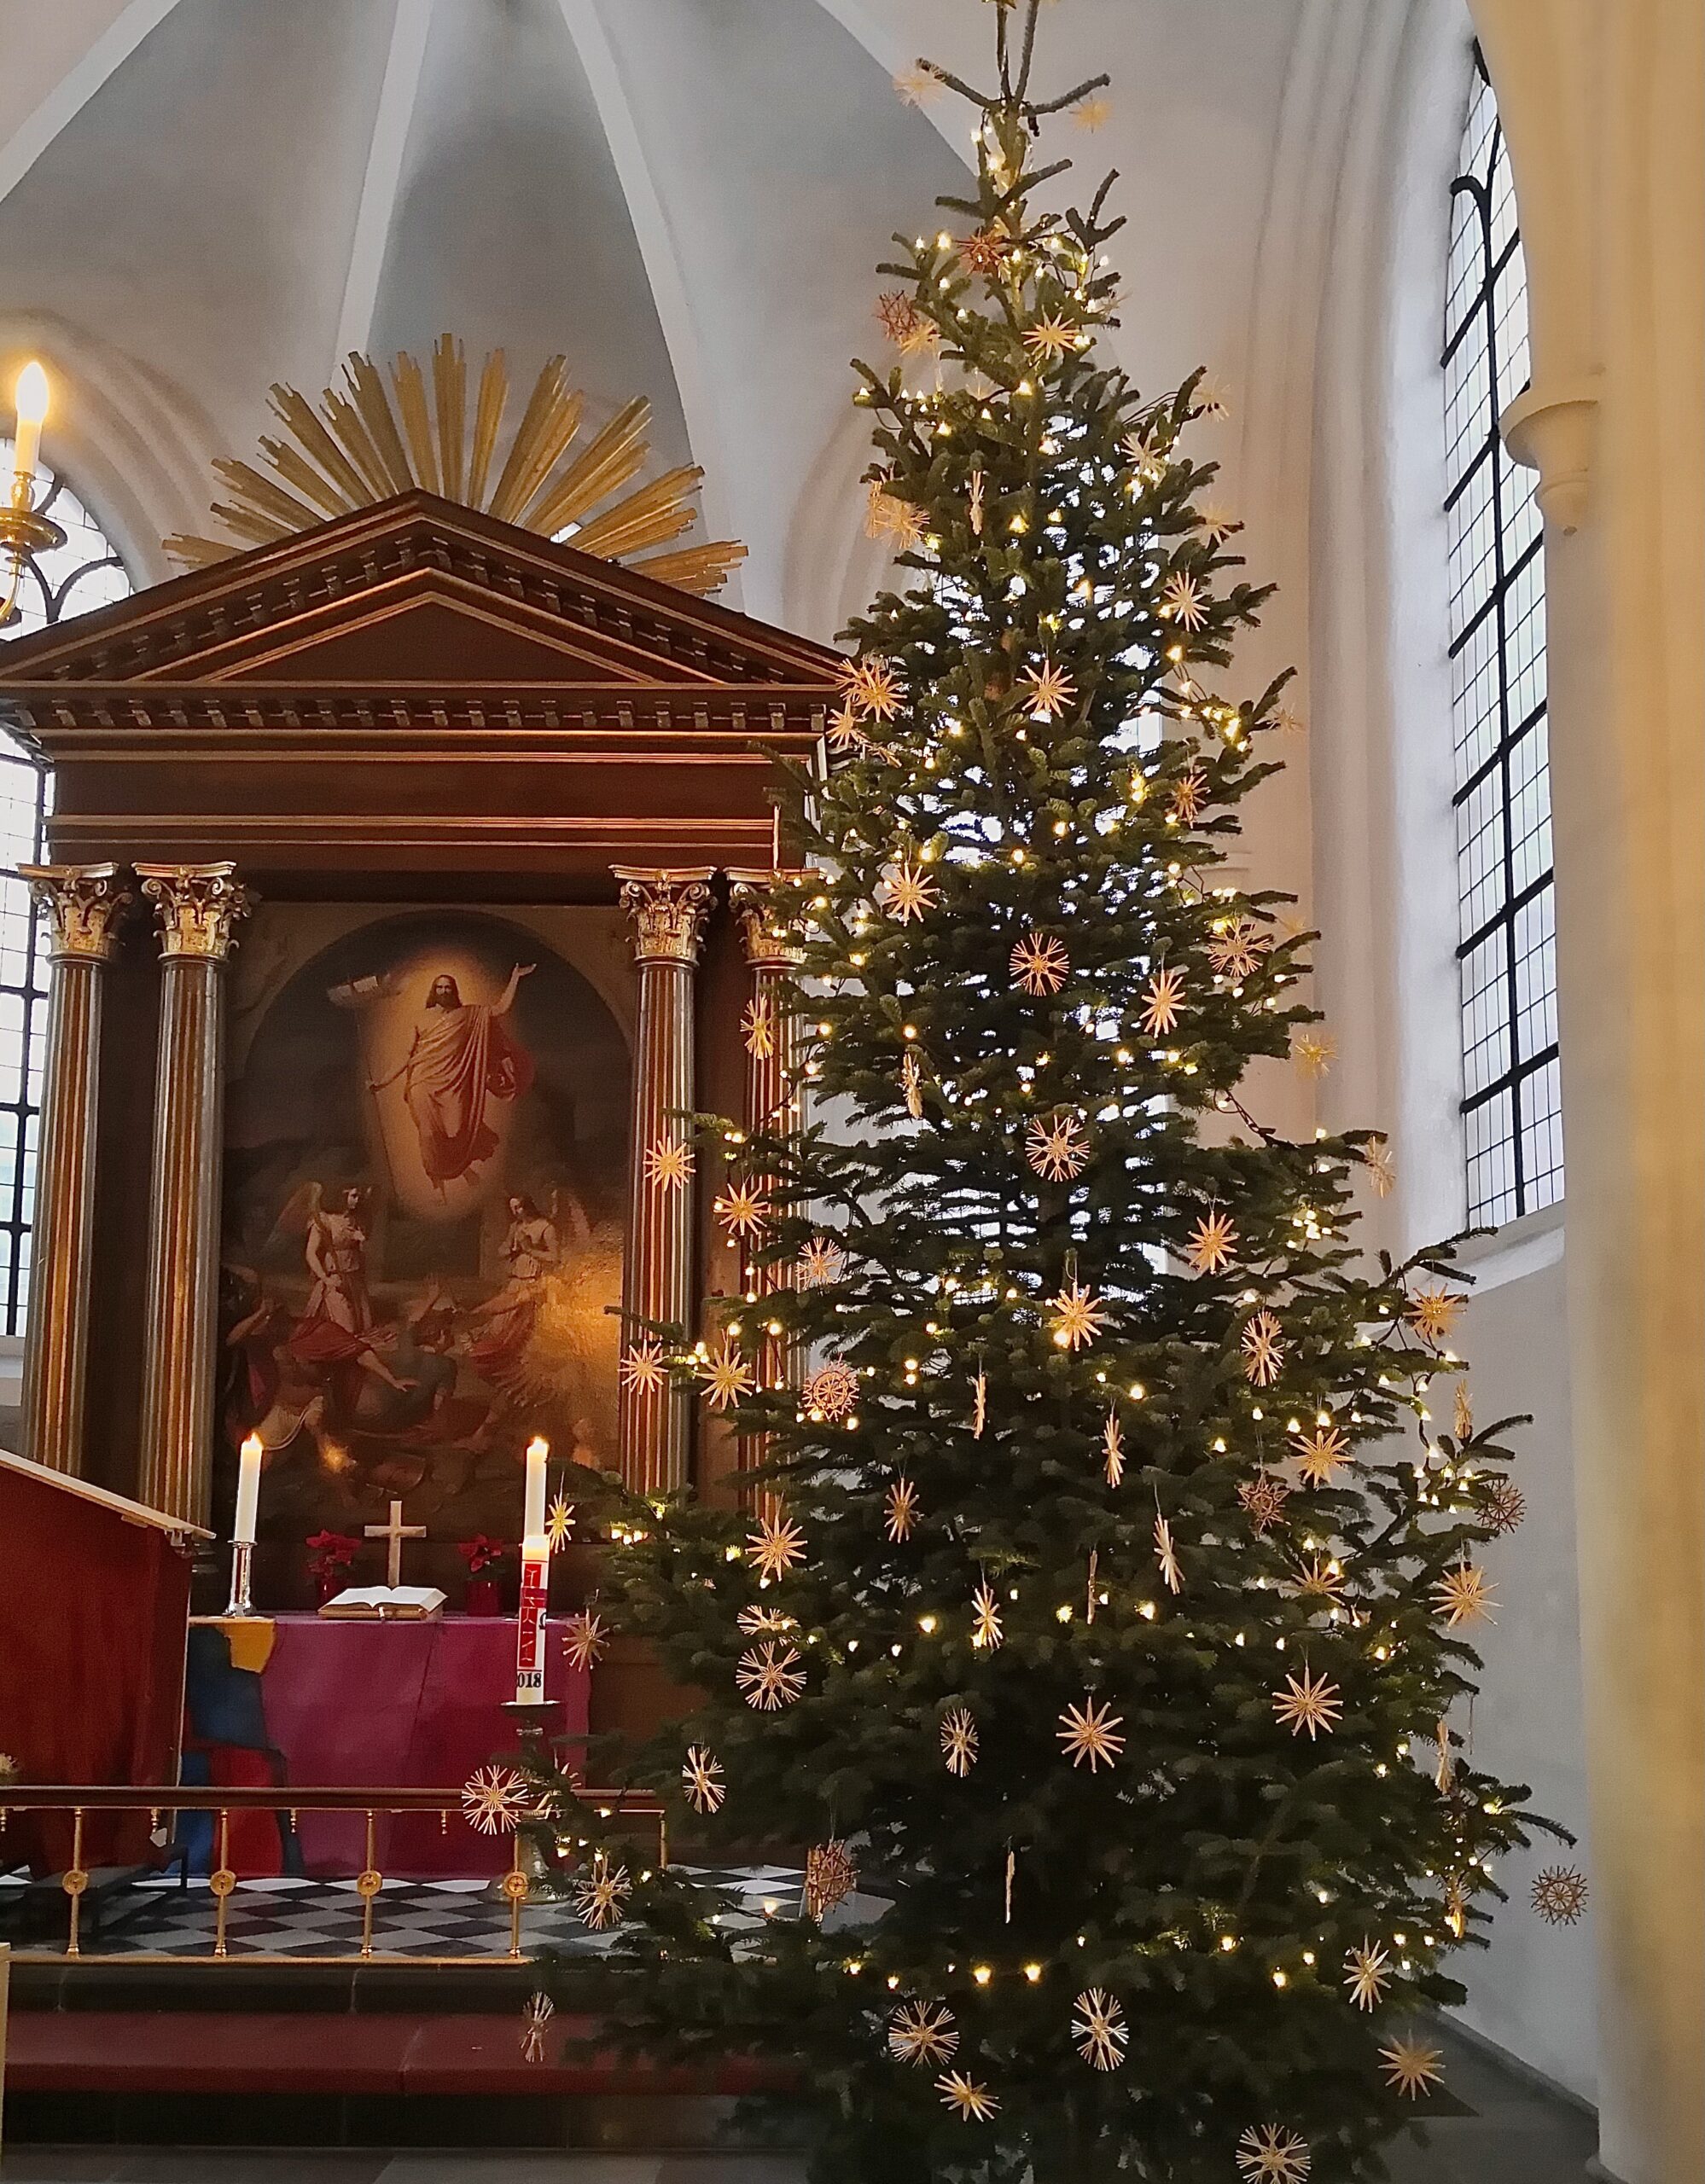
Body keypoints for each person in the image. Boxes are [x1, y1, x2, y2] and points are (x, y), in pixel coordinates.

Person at [368, 966, 535, 1191]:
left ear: (454, 991)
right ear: (434, 991)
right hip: (422, 1082)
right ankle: (434, 1176)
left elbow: (499, 1008)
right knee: (429, 1134)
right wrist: (381, 1082)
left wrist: (515, 978)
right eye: (440, 987)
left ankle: (458, 1168)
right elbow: (405, 1056)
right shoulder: (420, 1018)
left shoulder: (468, 1015)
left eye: (448, 988)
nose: (444, 991)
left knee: (457, 1131)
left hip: (454, 1082)